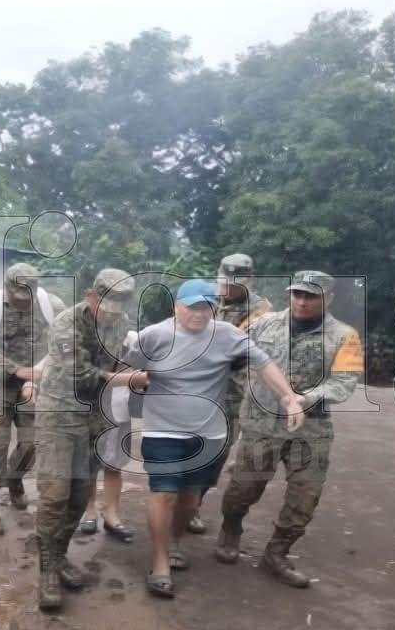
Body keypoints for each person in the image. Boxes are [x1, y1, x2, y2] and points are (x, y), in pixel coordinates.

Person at [124, 279, 305, 599]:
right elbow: (121, 371)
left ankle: (175, 540)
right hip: (162, 429)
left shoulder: (228, 335)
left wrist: (288, 397)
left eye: (205, 306)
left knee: (190, 500)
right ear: (176, 306)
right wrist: (140, 378)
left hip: (208, 433)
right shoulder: (153, 336)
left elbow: (264, 364)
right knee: (164, 493)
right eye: (191, 306)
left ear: (215, 308)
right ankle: (160, 562)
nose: (198, 313)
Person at [216, 271, 363, 588]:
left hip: (311, 428)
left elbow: (344, 382)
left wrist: (306, 398)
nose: (301, 301)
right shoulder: (263, 323)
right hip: (260, 423)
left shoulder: (344, 335)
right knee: (243, 488)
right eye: (297, 294)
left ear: (329, 298)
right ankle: (231, 530)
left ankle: (277, 553)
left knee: (305, 497)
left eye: (311, 296)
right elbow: (231, 359)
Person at [35, 268, 142, 611]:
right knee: (54, 496)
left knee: (80, 495)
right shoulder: (67, 324)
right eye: (105, 304)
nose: (110, 313)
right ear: (90, 295)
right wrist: (130, 379)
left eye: (118, 306)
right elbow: (79, 375)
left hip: (93, 418)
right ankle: (48, 571)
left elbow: (111, 363)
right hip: (59, 416)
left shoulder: (121, 323)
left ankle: (60, 555)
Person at [0, 262, 65, 535]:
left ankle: (15, 479)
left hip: (34, 386)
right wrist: (13, 369)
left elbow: (64, 342)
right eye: (16, 296)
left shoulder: (52, 307)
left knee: (31, 443)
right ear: (7, 287)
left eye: (26, 297)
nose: (21, 301)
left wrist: (38, 374)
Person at [186, 254, 272, 535]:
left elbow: (250, 353)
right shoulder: (205, 295)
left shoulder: (262, 311)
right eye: (224, 281)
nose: (227, 288)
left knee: (215, 454)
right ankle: (180, 504)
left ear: (248, 282)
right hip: (194, 388)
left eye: (234, 284)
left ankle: (193, 506)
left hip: (230, 394)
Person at [77, 327, 139, 544]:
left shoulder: (132, 339)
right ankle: (90, 510)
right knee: (88, 464)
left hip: (118, 411)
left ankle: (112, 513)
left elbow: (143, 369)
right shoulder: (82, 336)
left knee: (114, 465)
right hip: (89, 410)